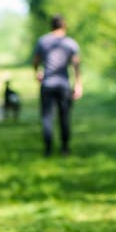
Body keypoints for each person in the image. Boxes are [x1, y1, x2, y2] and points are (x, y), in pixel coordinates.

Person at [31, 14, 81, 156]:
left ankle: (48, 149)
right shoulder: (70, 43)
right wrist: (78, 84)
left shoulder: (42, 41)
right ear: (64, 25)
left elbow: (35, 61)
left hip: (47, 84)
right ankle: (65, 148)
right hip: (63, 85)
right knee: (64, 117)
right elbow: (76, 65)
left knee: (47, 117)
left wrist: (37, 72)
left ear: (51, 26)